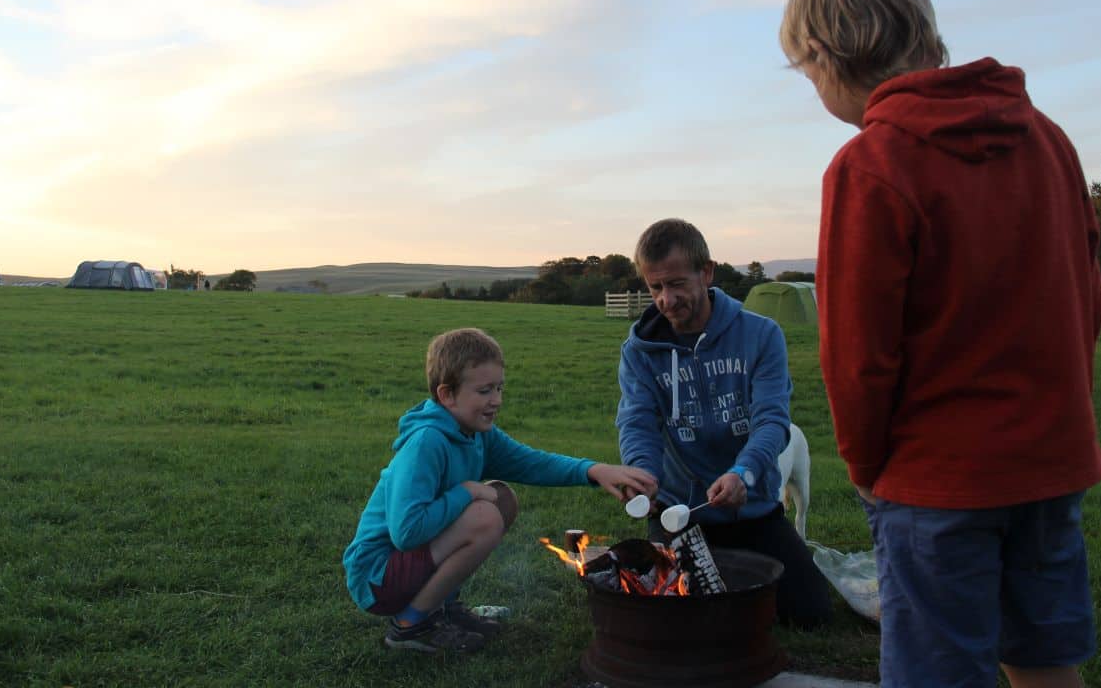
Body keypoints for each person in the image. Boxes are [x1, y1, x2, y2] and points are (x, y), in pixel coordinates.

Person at [780, 0, 1101, 687]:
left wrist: (866, 467)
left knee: (937, 671)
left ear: (824, 54)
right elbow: (1085, 301)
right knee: (1044, 659)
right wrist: (1064, 418)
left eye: (804, 73)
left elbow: (859, 355)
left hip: (936, 481)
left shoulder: (871, 164)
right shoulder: (1047, 138)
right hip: (1052, 462)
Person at [343, 327, 656, 654]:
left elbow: (531, 462)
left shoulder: (475, 433)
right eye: (484, 391)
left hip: (407, 563)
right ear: (447, 394)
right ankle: (410, 626)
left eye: (499, 388)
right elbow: (407, 532)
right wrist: (466, 490)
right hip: (378, 576)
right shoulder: (426, 441)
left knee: (501, 497)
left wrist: (593, 470)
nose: (497, 400)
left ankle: (442, 608)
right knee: (483, 515)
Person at [614, 218, 832, 627]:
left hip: (752, 506)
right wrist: (642, 473)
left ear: (707, 272)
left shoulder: (761, 335)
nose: (666, 299)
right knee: (676, 616)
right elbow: (637, 421)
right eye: (655, 287)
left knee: (810, 612)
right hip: (678, 512)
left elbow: (772, 421)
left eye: (677, 284)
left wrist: (743, 474)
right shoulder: (639, 350)